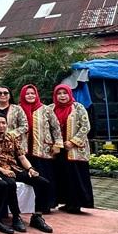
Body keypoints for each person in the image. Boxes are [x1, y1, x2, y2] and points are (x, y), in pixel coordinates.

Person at [0, 112, 54, 233]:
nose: (1, 126)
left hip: (14, 168)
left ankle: (37, 216)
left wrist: (30, 169)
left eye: (3, 123)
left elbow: (21, 157)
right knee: (10, 184)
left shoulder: (12, 137)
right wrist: (3, 170)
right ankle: (16, 217)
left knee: (43, 183)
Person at [49, 84, 93, 214]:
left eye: (65, 93)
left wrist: (73, 142)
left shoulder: (78, 107)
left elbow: (86, 126)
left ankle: (76, 204)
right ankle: (66, 202)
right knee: (62, 175)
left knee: (76, 176)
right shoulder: (51, 108)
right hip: (58, 149)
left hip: (75, 150)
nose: (62, 96)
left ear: (69, 94)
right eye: (59, 93)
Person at [18, 84, 63, 203]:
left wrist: (57, 144)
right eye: (27, 94)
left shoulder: (46, 109)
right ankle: (27, 205)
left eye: (32, 93)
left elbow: (56, 128)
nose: (30, 95)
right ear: (23, 95)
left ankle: (46, 204)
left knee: (45, 177)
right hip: (23, 151)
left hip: (43, 150)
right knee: (28, 178)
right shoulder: (18, 109)